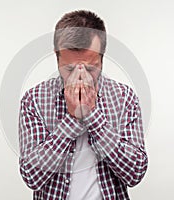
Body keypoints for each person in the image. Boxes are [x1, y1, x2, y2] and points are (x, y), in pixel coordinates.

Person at [18, 10, 148, 200]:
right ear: (57, 57)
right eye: (69, 68)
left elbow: (135, 173)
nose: (80, 75)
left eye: (90, 67)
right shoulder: (34, 100)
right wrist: (72, 120)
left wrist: (92, 116)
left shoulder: (124, 97)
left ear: (102, 59)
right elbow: (32, 176)